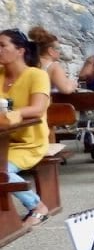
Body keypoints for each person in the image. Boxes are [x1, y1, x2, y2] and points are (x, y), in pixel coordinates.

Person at [0, 29, 52, 226]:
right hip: (3, 139)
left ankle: (37, 206)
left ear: (20, 50)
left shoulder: (36, 75)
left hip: (29, 142)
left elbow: (38, 109)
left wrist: (14, 114)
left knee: (0, 169)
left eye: (2, 46)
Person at [28, 26, 76, 94]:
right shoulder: (53, 67)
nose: (60, 52)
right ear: (50, 51)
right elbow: (66, 89)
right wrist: (73, 84)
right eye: (58, 48)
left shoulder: (30, 62)